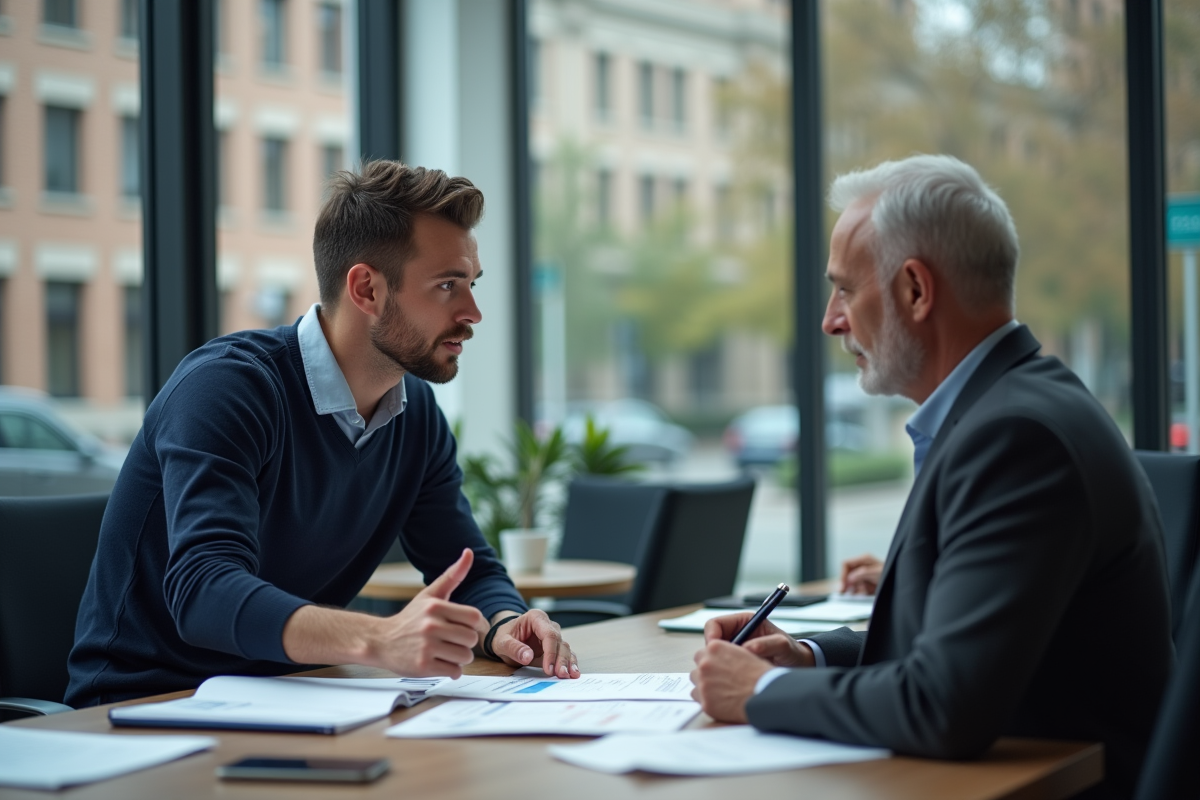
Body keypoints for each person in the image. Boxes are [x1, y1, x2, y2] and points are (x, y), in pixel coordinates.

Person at [690, 155, 1172, 800]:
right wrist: (807, 656)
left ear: (916, 291)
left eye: (844, 289)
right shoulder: (1009, 408)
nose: (831, 320)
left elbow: (942, 706)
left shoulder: (1015, 438)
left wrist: (761, 691)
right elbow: (966, 648)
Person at [67, 161, 578, 708]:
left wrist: (504, 622)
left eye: (471, 284)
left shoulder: (416, 414)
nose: (473, 312)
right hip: (144, 708)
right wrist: (378, 637)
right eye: (447, 286)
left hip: (295, 701)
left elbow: (466, 565)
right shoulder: (227, 389)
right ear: (366, 289)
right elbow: (204, 593)